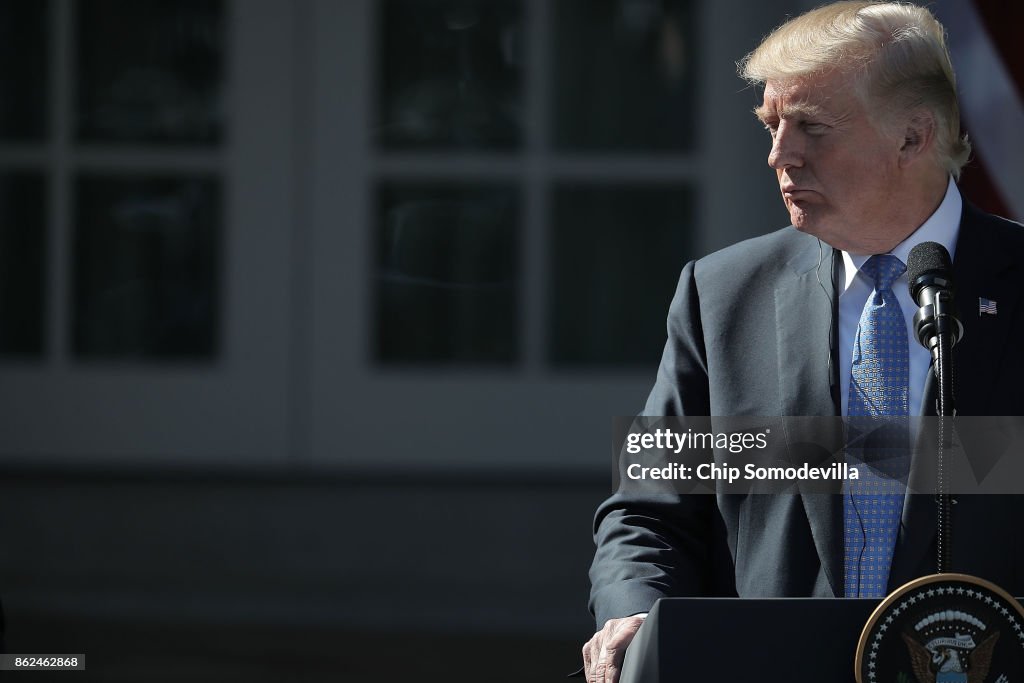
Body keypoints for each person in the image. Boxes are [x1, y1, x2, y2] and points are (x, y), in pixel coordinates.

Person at [582, 2, 1024, 682]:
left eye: (811, 127)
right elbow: (651, 513)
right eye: (772, 125)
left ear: (912, 136)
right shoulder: (722, 295)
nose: (778, 154)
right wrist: (640, 619)